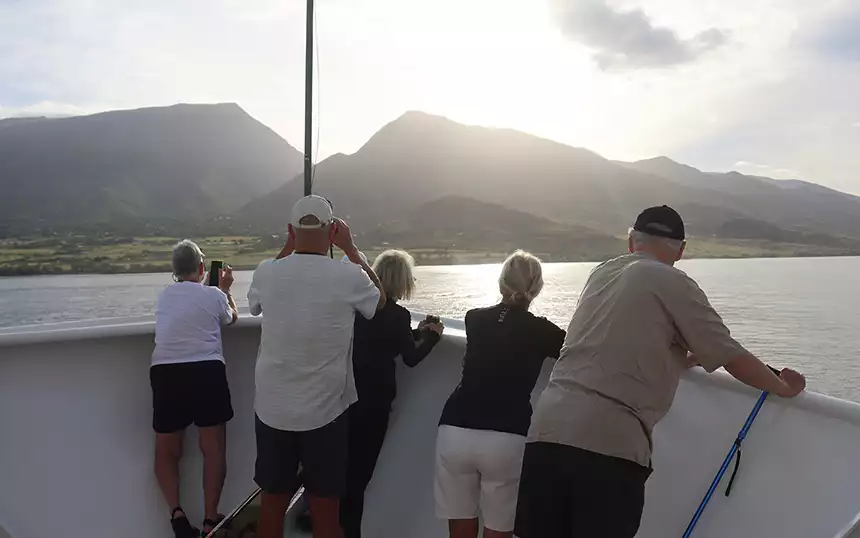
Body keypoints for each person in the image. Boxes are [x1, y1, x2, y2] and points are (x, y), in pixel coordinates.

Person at [514, 205, 807, 538]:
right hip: (609, 445)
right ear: (681, 250)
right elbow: (730, 354)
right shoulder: (672, 280)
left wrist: (681, 357)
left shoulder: (601, 274)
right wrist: (783, 387)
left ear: (630, 242)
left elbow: (615, 344)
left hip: (546, 431)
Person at [248, 195, 386, 538]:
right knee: (326, 513)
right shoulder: (349, 275)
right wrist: (351, 248)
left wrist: (287, 246)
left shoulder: (267, 271)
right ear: (333, 230)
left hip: (272, 410)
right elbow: (380, 300)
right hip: (326, 412)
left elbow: (254, 303)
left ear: (291, 231)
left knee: (271, 509)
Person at [434, 250, 566, 538]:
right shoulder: (543, 331)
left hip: (455, 428)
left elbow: (501, 328)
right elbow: (576, 350)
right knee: (499, 527)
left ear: (501, 283)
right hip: (506, 436)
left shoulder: (474, 319)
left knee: (460, 525)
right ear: (537, 288)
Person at [340, 249, 445, 538]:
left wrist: (415, 332)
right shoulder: (398, 315)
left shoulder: (355, 309)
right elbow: (409, 356)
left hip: (343, 399)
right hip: (374, 405)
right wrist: (432, 336)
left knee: (339, 474)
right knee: (358, 479)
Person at [150, 239, 239, 538]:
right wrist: (225, 289)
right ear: (202, 268)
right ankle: (211, 521)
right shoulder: (213, 294)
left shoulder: (164, 297)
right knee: (212, 449)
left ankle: (176, 513)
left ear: (174, 271)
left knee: (166, 449)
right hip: (205, 370)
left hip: (164, 370)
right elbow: (232, 318)